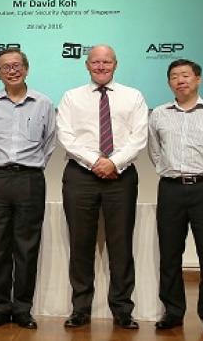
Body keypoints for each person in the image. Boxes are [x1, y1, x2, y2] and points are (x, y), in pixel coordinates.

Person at [56, 44, 148, 330]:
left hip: (121, 176)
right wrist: (95, 161)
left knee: (121, 245)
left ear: (115, 64)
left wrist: (114, 162)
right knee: (80, 244)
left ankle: (122, 309)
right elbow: (66, 135)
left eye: (106, 62)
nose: (101, 66)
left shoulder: (133, 96)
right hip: (80, 175)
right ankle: (80, 309)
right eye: (95, 62)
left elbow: (139, 136)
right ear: (87, 65)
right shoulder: (71, 97)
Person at [148, 59, 203, 333]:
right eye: (174, 76)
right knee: (170, 253)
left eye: (185, 75)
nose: (180, 80)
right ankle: (173, 311)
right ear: (169, 83)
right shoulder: (158, 114)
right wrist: (172, 170)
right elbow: (155, 152)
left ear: (198, 79)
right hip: (170, 188)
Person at [0, 48, 56, 330]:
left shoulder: (44, 103)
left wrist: (29, 167)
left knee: (27, 247)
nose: (12, 71)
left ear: (26, 68)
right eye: (5, 67)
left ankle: (23, 309)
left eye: (17, 65)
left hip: (30, 179)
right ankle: (0, 308)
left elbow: (49, 143)